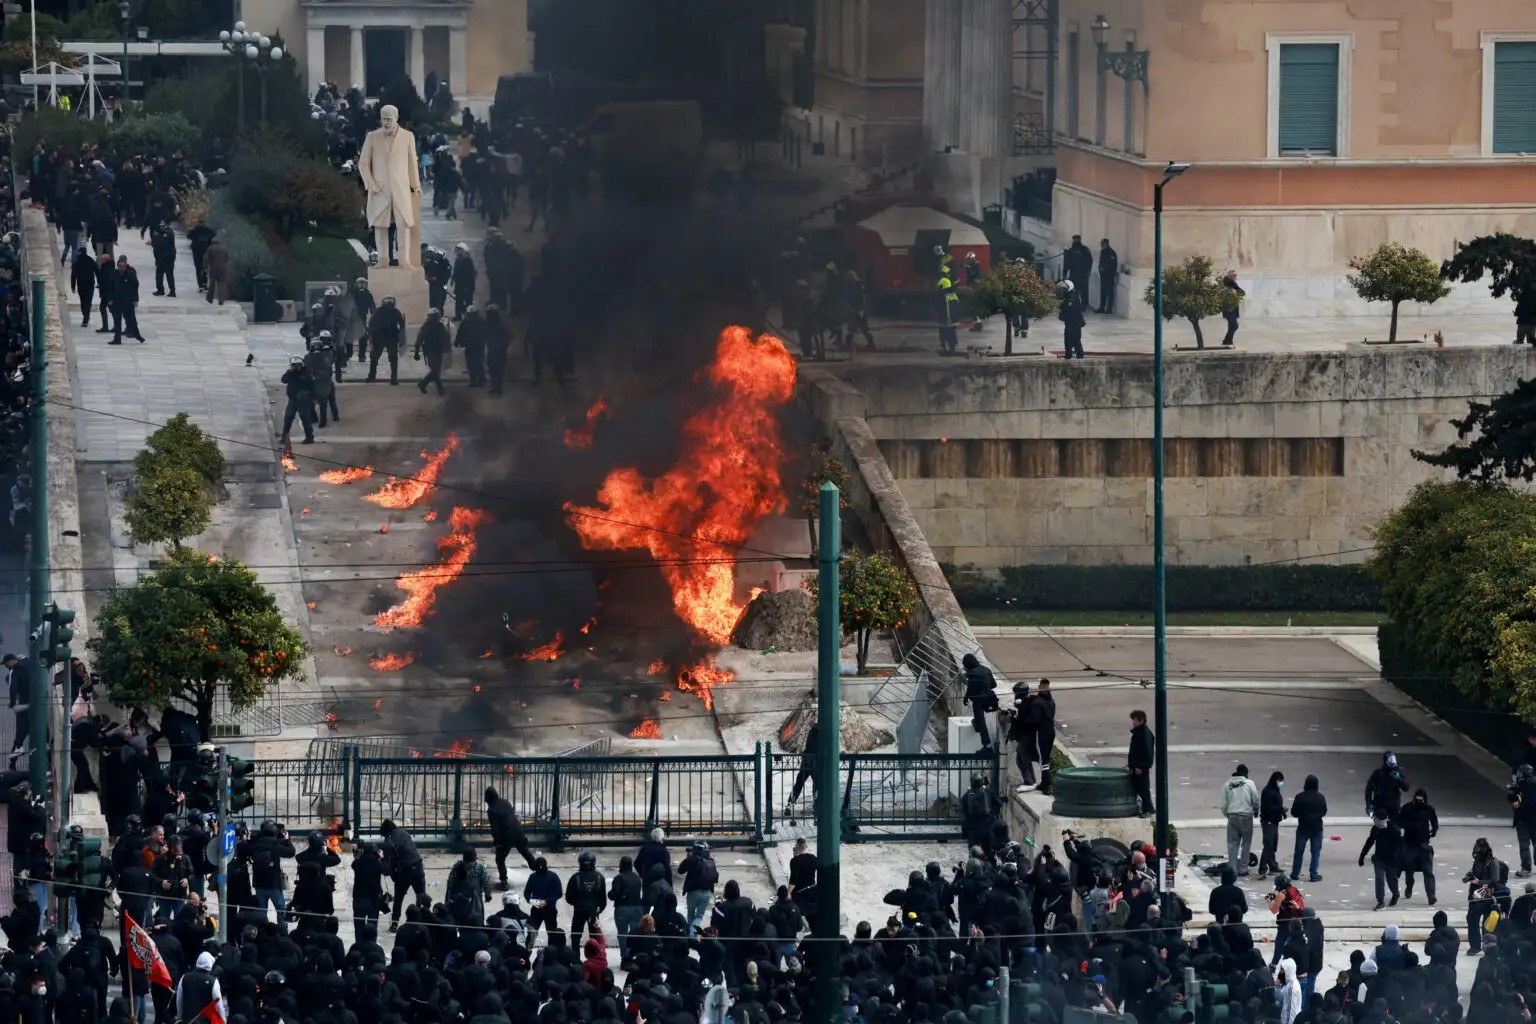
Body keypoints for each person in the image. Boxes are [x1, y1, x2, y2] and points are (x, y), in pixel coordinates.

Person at [379, 819, 427, 931]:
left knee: (398, 899)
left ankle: (395, 923)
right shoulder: (404, 832)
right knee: (421, 896)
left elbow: (388, 867)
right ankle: (422, 920)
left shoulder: (388, 842)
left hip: (403, 872)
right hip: (417, 866)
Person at [485, 785, 536, 886]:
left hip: (506, 836)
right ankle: (539, 871)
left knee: (500, 859)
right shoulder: (505, 802)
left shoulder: (491, 810)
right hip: (518, 831)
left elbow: (495, 828)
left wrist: (496, 842)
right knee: (525, 852)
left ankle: (503, 881)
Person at [1399, 787, 1439, 903]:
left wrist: (1434, 830)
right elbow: (1399, 820)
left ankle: (1431, 895)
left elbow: (1434, 821)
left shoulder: (1428, 809)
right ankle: (1409, 886)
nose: (1419, 802)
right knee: (1409, 870)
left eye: (1421, 800)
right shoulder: (1407, 808)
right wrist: (1408, 825)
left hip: (1423, 844)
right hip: (1410, 844)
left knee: (1428, 871)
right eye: (1417, 800)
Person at [1221, 764, 1260, 876]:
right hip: (1246, 816)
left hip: (1232, 816)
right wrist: (1256, 811)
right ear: (1246, 774)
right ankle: (1243, 869)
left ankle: (1232, 869)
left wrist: (1228, 814)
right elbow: (1255, 800)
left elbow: (1223, 805)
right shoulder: (1249, 783)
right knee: (1246, 843)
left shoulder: (1227, 785)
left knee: (1232, 844)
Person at [1359, 814, 1403, 911]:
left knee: (1391, 879)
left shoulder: (1394, 829)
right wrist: (1362, 856)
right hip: (1379, 859)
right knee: (1379, 879)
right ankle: (1380, 901)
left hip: (1392, 860)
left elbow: (1401, 846)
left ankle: (1395, 894)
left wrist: (1400, 861)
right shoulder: (1375, 829)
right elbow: (1369, 842)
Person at [1289, 774, 1328, 882]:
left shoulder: (1300, 797)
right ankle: (1313, 874)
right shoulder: (1321, 797)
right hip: (1317, 827)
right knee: (1315, 852)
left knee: (1299, 851)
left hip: (1303, 827)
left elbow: (1294, 812)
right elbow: (1324, 812)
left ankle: (1295, 873)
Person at [960, 653, 998, 750]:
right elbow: (994, 685)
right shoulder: (987, 670)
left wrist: (966, 697)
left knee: (981, 722)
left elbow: (971, 688)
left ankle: (987, 745)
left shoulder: (971, 673)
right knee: (979, 721)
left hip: (978, 700)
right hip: (989, 698)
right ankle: (977, 724)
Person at [366, 295, 406, 384]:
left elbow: (371, 325)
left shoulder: (378, 312)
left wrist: (371, 338)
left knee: (374, 359)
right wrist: (401, 338)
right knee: (393, 359)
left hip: (379, 337)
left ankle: (371, 377)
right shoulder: (395, 312)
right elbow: (401, 326)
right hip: (391, 337)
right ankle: (394, 378)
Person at [279, 357, 317, 445]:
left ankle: (309, 437)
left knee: (305, 418)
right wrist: (290, 372)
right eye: (294, 365)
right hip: (293, 399)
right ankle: (284, 438)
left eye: (298, 365)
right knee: (288, 418)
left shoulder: (306, 373)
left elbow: (312, 385)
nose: (296, 367)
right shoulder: (290, 373)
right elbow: (284, 380)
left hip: (303, 399)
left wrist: (314, 398)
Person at [1365, 749, 1409, 821]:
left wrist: (1400, 780)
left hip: (1394, 806)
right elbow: (1369, 789)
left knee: (1394, 828)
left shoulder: (1396, 773)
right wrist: (1369, 804)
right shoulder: (1378, 773)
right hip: (1380, 805)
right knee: (1381, 827)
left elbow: (1406, 787)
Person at [414, 308, 449, 395]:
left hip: (433, 350)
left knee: (435, 371)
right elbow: (445, 338)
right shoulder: (438, 326)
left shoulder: (427, 326)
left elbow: (419, 339)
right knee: (435, 370)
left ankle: (424, 384)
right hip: (434, 351)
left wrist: (416, 351)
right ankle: (436, 388)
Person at [787, 721, 819, 813]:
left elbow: (808, 745)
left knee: (799, 783)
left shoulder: (812, 730)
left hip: (806, 760)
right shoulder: (823, 731)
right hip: (815, 762)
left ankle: (790, 803)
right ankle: (816, 806)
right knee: (817, 785)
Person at [1258, 770, 1287, 876]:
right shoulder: (1268, 791)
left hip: (1274, 821)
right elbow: (1267, 807)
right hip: (1268, 821)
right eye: (1279, 780)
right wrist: (1280, 808)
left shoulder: (1275, 790)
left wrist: (1282, 811)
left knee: (1272, 844)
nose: (1281, 783)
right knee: (1268, 844)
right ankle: (1263, 868)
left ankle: (1272, 865)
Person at [1127, 709, 1155, 815]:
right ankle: (1147, 807)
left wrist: (1139, 766)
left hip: (1140, 767)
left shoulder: (1144, 734)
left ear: (1141, 720)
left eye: (1135, 720)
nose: (1133, 722)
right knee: (1141, 787)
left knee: (1143, 788)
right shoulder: (1140, 732)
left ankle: (1148, 808)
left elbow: (1146, 751)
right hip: (1137, 766)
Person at [110, 255, 143, 344]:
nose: (121, 268)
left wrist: (135, 299)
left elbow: (135, 287)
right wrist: (110, 299)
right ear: (117, 266)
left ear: (126, 265)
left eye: (123, 266)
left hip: (128, 301)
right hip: (117, 301)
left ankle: (137, 335)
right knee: (117, 321)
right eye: (120, 266)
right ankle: (117, 339)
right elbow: (110, 287)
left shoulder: (130, 274)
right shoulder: (114, 274)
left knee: (131, 319)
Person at [1063, 235, 1092, 310]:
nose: (1076, 241)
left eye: (1077, 239)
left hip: (1081, 273)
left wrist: (1089, 270)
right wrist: (1065, 272)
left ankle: (1083, 305)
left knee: (1083, 291)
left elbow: (1089, 261)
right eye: (1075, 239)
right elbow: (1067, 262)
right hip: (1076, 273)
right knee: (1072, 289)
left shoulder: (1084, 250)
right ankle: (1074, 304)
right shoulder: (1072, 250)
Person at [1220, 269, 1245, 346]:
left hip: (1232, 308)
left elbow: (1242, 293)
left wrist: (1236, 292)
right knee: (1235, 325)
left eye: (1235, 275)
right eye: (1234, 275)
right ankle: (1227, 340)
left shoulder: (1232, 284)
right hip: (1229, 308)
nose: (1235, 277)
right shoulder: (1227, 284)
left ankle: (1228, 341)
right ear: (1230, 276)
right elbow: (1240, 293)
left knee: (1231, 325)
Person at [203, 235, 229, 305]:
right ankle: (221, 299)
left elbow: (206, 258)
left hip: (213, 268)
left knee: (212, 283)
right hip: (223, 268)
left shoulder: (210, 248)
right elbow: (227, 258)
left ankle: (210, 298)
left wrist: (205, 267)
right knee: (222, 283)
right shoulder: (224, 248)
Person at [1096, 239, 1119, 314]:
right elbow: (1101, 262)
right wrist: (1100, 270)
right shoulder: (1102, 252)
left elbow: (1113, 264)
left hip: (1109, 275)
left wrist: (1107, 270)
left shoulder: (1111, 253)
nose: (1102, 245)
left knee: (1109, 292)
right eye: (1101, 244)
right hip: (1103, 275)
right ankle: (1102, 307)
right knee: (1103, 291)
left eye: (1103, 244)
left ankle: (1109, 308)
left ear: (1107, 244)